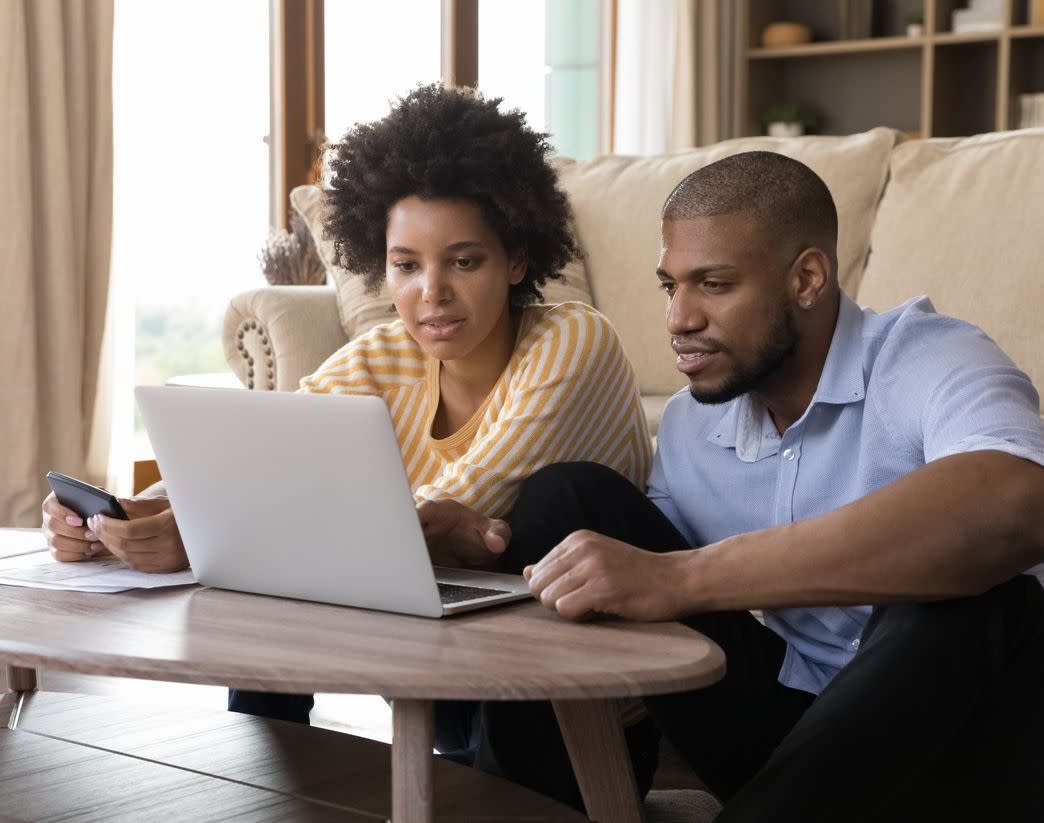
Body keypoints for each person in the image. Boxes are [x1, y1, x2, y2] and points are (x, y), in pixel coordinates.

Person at [39, 84, 657, 783]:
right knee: (272, 556)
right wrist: (113, 517)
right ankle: (266, 781)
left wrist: (212, 527)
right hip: (451, 670)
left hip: (579, 722)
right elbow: (259, 461)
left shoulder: (573, 341)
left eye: (464, 261)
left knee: (287, 542)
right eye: (406, 265)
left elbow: (441, 507)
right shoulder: (385, 354)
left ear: (516, 259)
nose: (433, 293)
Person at [471, 151, 1044, 823]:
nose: (679, 318)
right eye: (670, 287)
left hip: (964, 755)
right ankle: (530, 817)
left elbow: (1017, 503)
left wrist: (684, 577)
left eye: (713, 284)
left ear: (807, 277)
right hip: (797, 739)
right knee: (568, 501)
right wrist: (481, 540)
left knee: (976, 596)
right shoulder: (693, 420)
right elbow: (629, 577)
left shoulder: (931, 358)